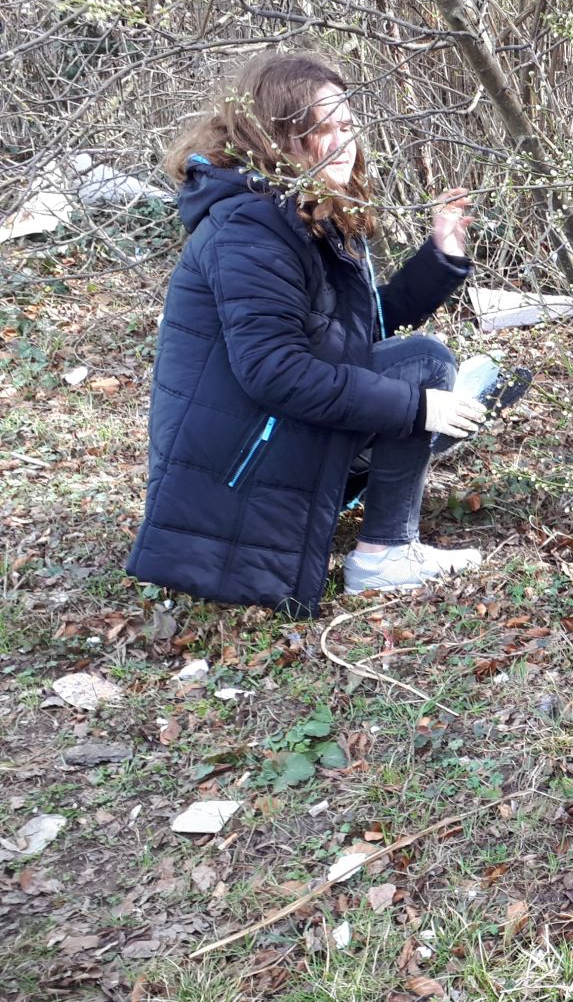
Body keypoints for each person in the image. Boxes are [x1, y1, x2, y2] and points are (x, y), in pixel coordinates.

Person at [127, 52, 495, 616]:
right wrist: (418, 407)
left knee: (424, 374)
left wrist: (440, 255)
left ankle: (382, 535)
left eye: (348, 125)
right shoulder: (249, 228)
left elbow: (356, 331)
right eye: (325, 128)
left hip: (259, 437)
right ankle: (383, 557)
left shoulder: (297, 214)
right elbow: (275, 372)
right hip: (236, 464)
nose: (345, 141)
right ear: (279, 136)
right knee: (421, 375)